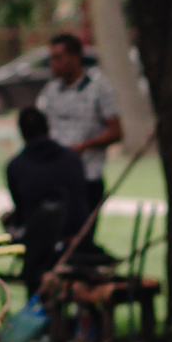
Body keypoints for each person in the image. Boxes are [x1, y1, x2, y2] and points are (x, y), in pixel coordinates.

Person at [34, 32, 122, 217]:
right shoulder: (51, 91)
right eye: (52, 58)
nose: (53, 64)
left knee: (82, 237)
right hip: (56, 176)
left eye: (58, 58)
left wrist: (84, 146)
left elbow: (116, 132)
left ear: (75, 58)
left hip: (87, 177)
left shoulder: (99, 88)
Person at [4, 105, 91, 280]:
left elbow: (20, 212)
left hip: (41, 243)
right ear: (48, 127)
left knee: (9, 219)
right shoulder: (73, 158)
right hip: (78, 238)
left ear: (21, 133)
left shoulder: (16, 165)